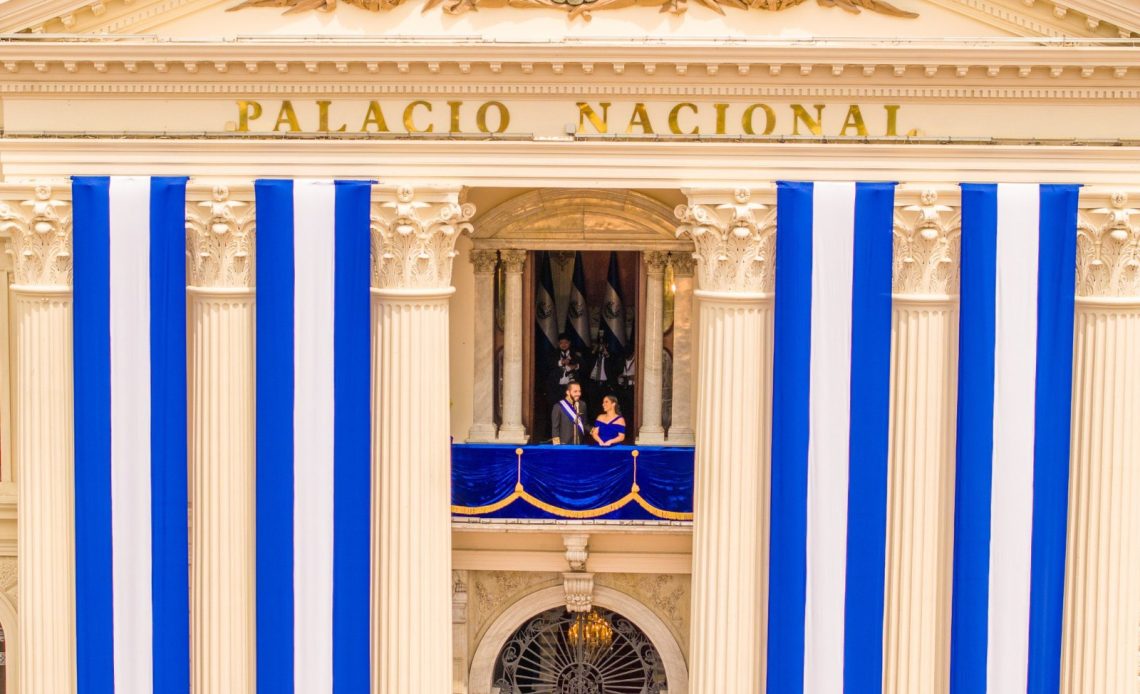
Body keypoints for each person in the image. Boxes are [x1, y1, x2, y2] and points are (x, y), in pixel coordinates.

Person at [551, 380, 588, 445]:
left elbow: (584, 424)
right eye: (575, 391)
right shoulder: (558, 407)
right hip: (564, 445)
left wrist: (592, 430)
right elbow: (555, 428)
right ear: (568, 392)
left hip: (580, 444)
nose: (578, 394)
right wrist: (557, 446)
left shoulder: (582, 404)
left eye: (579, 391)